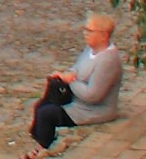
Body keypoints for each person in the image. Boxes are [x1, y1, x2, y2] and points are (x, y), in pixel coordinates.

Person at [27, 14, 124, 150]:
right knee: (41, 105)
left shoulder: (107, 61)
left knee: (46, 114)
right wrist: (65, 76)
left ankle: (42, 148)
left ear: (104, 35)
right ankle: (39, 141)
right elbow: (76, 69)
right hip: (78, 100)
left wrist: (71, 81)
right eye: (85, 30)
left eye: (90, 31)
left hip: (92, 110)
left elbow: (93, 96)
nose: (85, 34)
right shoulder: (90, 50)